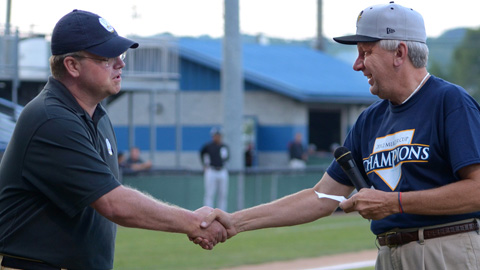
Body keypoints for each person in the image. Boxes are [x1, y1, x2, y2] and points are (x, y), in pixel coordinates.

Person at [199, 2, 480, 269]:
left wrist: (395, 203)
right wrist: (237, 221)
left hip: (445, 250)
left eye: (366, 52)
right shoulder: (369, 120)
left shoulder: (449, 102)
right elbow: (321, 197)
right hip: (389, 254)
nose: (357, 65)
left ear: (400, 53)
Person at [0, 10, 225, 270]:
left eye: (121, 55)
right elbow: (114, 204)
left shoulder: (97, 115)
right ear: (72, 65)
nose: (121, 63)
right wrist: (195, 223)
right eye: (107, 57)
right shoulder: (52, 118)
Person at [200, 128, 230, 211]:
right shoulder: (208, 146)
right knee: (209, 193)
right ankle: (208, 213)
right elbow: (202, 154)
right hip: (211, 170)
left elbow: (227, 158)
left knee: (223, 194)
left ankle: (222, 213)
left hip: (222, 170)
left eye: (218, 136)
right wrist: (204, 165)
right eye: (215, 136)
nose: (217, 137)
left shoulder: (224, 146)